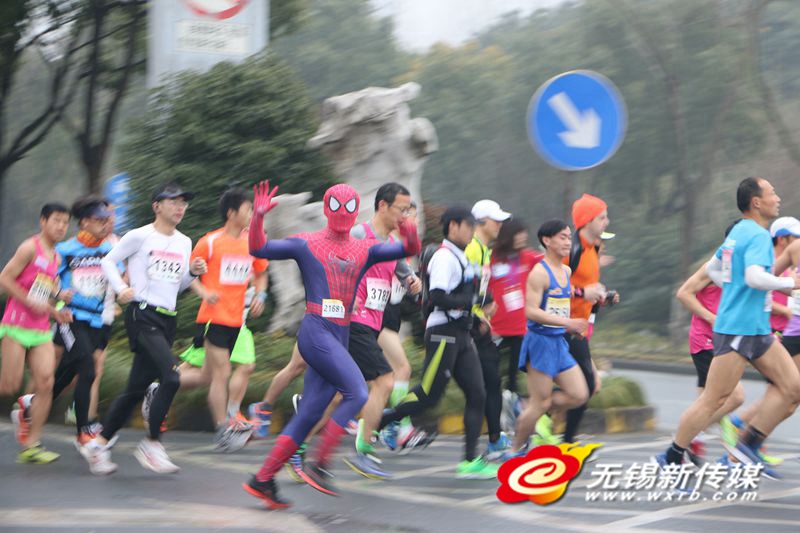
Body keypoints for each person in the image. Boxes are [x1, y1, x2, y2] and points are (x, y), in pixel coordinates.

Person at [243, 180, 420, 509]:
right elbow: (258, 249)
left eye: (349, 207)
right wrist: (258, 216)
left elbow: (406, 249)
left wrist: (408, 226)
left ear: (357, 213)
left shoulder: (363, 249)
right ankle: (320, 464)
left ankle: (263, 479)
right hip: (316, 330)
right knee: (358, 392)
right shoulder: (306, 243)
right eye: (336, 206)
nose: (342, 213)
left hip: (339, 333)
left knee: (309, 413)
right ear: (326, 209)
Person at [656, 177, 800, 478]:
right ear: (756, 202)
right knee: (714, 399)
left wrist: (736, 288)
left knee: (793, 387)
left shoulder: (737, 233)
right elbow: (754, 278)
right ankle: (672, 454)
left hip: (758, 330)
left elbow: (714, 269)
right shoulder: (758, 235)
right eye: (772, 193)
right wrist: (789, 284)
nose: (777, 198)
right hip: (737, 329)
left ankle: (748, 445)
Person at [85, 182, 207, 475]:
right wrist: (121, 288)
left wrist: (192, 273)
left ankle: (97, 446)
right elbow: (108, 261)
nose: (180, 207)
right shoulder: (139, 236)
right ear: (157, 206)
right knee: (172, 377)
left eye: (184, 202)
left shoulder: (184, 242)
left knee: (134, 390)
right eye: (174, 201)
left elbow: (176, 287)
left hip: (168, 319)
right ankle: (152, 444)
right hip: (142, 315)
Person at [378, 205, 498, 480]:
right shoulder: (444, 257)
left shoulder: (463, 258)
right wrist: (469, 302)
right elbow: (437, 297)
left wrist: (475, 312)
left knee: (477, 393)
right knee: (429, 395)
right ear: (453, 227)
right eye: (468, 226)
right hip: (443, 332)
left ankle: (469, 461)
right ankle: (379, 421)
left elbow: (466, 295)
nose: (471, 232)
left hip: (462, 334)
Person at [144, 187, 267, 452]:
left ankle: (159, 388)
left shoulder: (252, 243)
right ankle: (223, 429)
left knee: (206, 377)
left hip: (238, 319)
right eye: (247, 210)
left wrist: (261, 295)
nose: (251, 216)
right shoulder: (210, 242)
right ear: (232, 213)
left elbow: (261, 272)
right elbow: (186, 274)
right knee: (222, 373)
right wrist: (204, 291)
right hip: (214, 318)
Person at [343, 182, 417, 479]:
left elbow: (404, 271)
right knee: (384, 381)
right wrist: (346, 297)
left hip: (373, 325)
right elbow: (334, 263)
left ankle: (298, 445)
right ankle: (363, 449)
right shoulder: (360, 234)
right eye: (402, 209)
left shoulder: (390, 245)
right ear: (382, 206)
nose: (405, 215)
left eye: (409, 210)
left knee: (340, 394)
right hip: (354, 322)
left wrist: (413, 281)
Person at [47, 197, 118, 473]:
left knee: (68, 371)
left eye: (106, 220)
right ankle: (85, 434)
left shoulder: (110, 250)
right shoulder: (64, 250)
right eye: (99, 220)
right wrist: (56, 295)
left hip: (98, 321)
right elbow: (42, 281)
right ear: (85, 222)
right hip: (70, 317)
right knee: (88, 369)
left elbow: (120, 279)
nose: (105, 225)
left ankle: (32, 405)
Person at [507, 220, 589, 456]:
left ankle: (525, 407)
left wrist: (572, 326)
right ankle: (514, 450)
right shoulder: (539, 273)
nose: (567, 242)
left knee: (579, 394)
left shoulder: (566, 271)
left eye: (568, 237)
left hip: (559, 343)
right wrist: (567, 323)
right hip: (540, 343)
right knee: (540, 404)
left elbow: (560, 308)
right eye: (562, 237)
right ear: (547, 241)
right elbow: (531, 311)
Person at [0, 203, 71, 464]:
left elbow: (48, 293)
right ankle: (25, 427)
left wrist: (58, 309)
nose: (61, 226)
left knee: (46, 383)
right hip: (16, 324)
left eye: (65, 222)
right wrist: (28, 301)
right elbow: (5, 278)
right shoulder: (29, 247)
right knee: (9, 385)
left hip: (40, 328)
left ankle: (31, 445)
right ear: (43, 221)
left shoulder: (57, 257)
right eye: (56, 221)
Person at [675, 221, 746, 464]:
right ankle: (690, 437)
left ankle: (691, 441)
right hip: (706, 339)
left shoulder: (741, 268)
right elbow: (683, 293)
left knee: (706, 400)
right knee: (734, 396)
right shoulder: (712, 266)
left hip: (725, 339)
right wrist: (711, 318)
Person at [558, 194, 616, 445]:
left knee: (587, 386)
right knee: (586, 385)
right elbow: (551, 284)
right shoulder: (572, 249)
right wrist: (584, 292)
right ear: (587, 221)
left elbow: (585, 287)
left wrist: (602, 297)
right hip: (562, 326)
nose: (607, 222)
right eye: (602, 217)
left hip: (579, 327)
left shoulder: (592, 250)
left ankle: (566, 439)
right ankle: (531, 406)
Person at [466, 199, 512, 459]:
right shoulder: (472, 248)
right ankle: (389, 421)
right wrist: (484, 306)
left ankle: (495, 440)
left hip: (479, 326)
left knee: (491, 381)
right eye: (496, 220)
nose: (500, 225)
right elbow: (467, 285)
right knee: (435, 389)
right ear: (481, 222)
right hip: (467, 326)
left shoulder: (485, 250)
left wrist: (488, 302)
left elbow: (481, 286)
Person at [489, 218, 542, 435]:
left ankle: (511, 416)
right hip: (495, 326)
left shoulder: (528, 257)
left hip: (520, 328)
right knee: (490, 373)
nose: (522, 237)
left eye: (524, 233)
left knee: (515, 375)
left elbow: (553, 262)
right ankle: (494, 413)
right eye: (517, 233)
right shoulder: (492, 259)